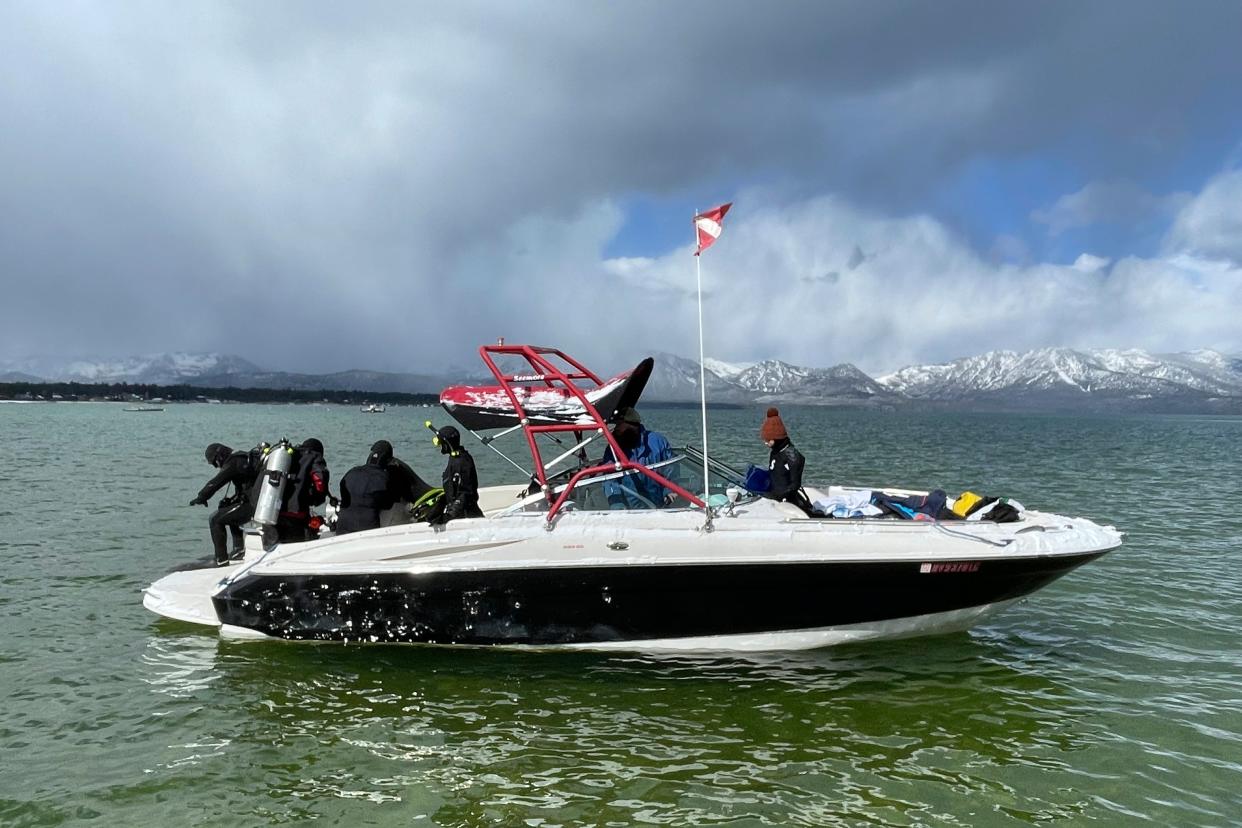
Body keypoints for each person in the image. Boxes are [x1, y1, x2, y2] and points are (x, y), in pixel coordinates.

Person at [189, 442, 260, 566]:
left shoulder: (233, 463)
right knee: (227, 506)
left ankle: (221, 560)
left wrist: (201, 497)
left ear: (220, 456)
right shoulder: (241, 458)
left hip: (253, 505)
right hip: (256, 502)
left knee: (215, 519)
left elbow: (216, 482)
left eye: (215, 463)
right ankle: (239, 550)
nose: (217, 467)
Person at [600, 407, 678, 508]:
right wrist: (617, 503)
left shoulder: (658, 441)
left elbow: (671, 469)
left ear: (632, 425)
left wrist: (670, 491)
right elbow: (609, 479)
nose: (616, 429)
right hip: (630, 511)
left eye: (619, 425)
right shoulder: (612, 448)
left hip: (659, 506)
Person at [272, 437, 330, 543]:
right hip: (296, 514)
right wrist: (315, 498)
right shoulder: (314, 457)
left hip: (274, 512)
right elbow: (320, 481)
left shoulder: (289, 456)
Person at [759, 407, 815, 516]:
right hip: (776, 497)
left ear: (776, 438)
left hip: (787, 500)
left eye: (767, 440)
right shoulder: (775, 451)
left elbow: (795, 484)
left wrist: (782, 496)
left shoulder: (791, 455)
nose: (765, 443)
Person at [336, 440, 397, 535]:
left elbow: (344, 494)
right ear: (388, 460)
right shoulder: (384, 479)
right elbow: (388, 505)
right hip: (367, 531)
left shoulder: (351, 472)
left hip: (342, 528)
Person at [432, 425, 482, 524]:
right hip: (458, 513)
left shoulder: (462, 462)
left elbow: (466, 493)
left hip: (466, 516)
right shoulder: (454, 458)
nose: (440, 446)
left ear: (447, 444)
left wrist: (450, 515)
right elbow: (453, 488)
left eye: (441, 443)